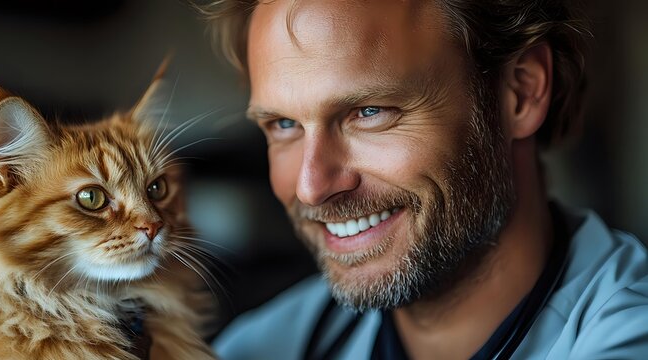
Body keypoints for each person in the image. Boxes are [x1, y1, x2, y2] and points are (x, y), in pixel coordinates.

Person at [197, 0, 648, 359]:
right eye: (283, 125)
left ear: (521, 92)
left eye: (369, 111)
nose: (311, 186)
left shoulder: (628, 334)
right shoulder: (253, 348)